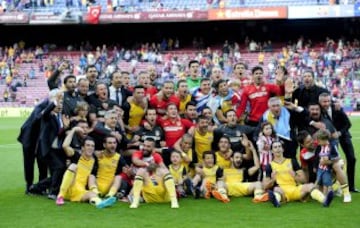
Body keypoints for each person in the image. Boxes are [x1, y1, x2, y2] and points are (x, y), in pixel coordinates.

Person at [265, 141, 334, 208]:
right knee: (276, 190)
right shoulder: (269, 166)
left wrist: (294, 175)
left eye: (279, 146)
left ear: (283, 149)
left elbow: (304, 180)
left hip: (295, 189)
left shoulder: (292, 161)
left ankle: (325, 200)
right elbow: (266, 186)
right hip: (282, 191)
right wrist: (273, 180)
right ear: (272, 151)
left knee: (310, 186)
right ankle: (276, 201)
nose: (278, 149)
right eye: (275, 147)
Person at [55, 137, 117, 209]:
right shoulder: (77, 156)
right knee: (73, 166)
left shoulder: (94, 161)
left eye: (92, 146)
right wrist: (74, 129)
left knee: (92, 194)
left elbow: (94, 176)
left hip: (80, 191)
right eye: (88, 145)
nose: (90, 148)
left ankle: (100, 203)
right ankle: (60, 196)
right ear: (82, 148)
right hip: (69, 187)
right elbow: (65, 146)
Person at [318, 92, 358, 192]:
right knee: (332, 161)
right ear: (319, 102)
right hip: (329, 140)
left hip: (343, 136)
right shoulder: (318, 110)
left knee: (351, 159)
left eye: (328, 101)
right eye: (324, 102)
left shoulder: (337, 108)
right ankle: (333, 186)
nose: (326, 103)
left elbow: (348, 124)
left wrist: (339, 133)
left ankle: (351, 187)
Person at [129, 138, 179, 208]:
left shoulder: (156, 156)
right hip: (146, 190)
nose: (145, 148)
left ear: (153, 148)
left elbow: (164, 169)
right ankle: (135, 201)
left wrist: (155, 168)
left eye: (148, 146)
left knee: (163, 171)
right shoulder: (138, 153)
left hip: (158, 186)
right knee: (141, 171)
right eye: (144, 145)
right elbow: (136, 161)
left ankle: (174, 200)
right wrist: (148, 165)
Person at [314, 129, 334, 195]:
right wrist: (315, 166)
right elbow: (316, 157)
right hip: (320, 168)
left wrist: (328, 161)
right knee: (318, 181)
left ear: (324, 139)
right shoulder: (320, 146)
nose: (317, 141)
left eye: (319, 140)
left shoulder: (331, 147)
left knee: (326, 183)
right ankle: (316, 194)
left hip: (327, 169)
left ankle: (326, 197)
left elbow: (335, 158)